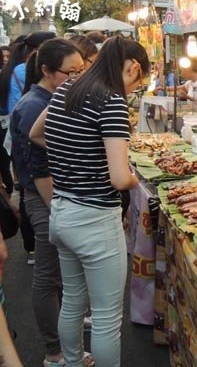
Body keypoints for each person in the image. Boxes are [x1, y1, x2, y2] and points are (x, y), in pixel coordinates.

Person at [35, 36, 149, 367]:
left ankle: (71, 363)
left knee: (72, 300)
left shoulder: (67, 91)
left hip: (61, 212)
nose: (135, 88)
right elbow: (119, 178)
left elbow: (36, 134)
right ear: (133, 67)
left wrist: (76, 159)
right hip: (95, 220)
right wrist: (136, 179)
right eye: (138, 81)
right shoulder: (111, 101)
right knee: (106, 318)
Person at [10, 38, 88, 367]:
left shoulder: (52, 97)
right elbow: (38, 169)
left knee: (58, 273)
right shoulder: (32, 106)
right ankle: (54, 351)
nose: (76, 78)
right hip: (45, 199)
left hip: (55, 196)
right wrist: (59, 209)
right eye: (69, 73)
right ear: (45, 70)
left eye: (81, 71)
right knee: (47, 275)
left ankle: (62, 334)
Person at [0, 32, 55, 265]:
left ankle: (31, 246)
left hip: (11, 128)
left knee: (22, 185)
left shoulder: (14, 70)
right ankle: (32, 245)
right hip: (19, 131)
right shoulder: (35, 102)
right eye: (72, 71)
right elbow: (37, 155)